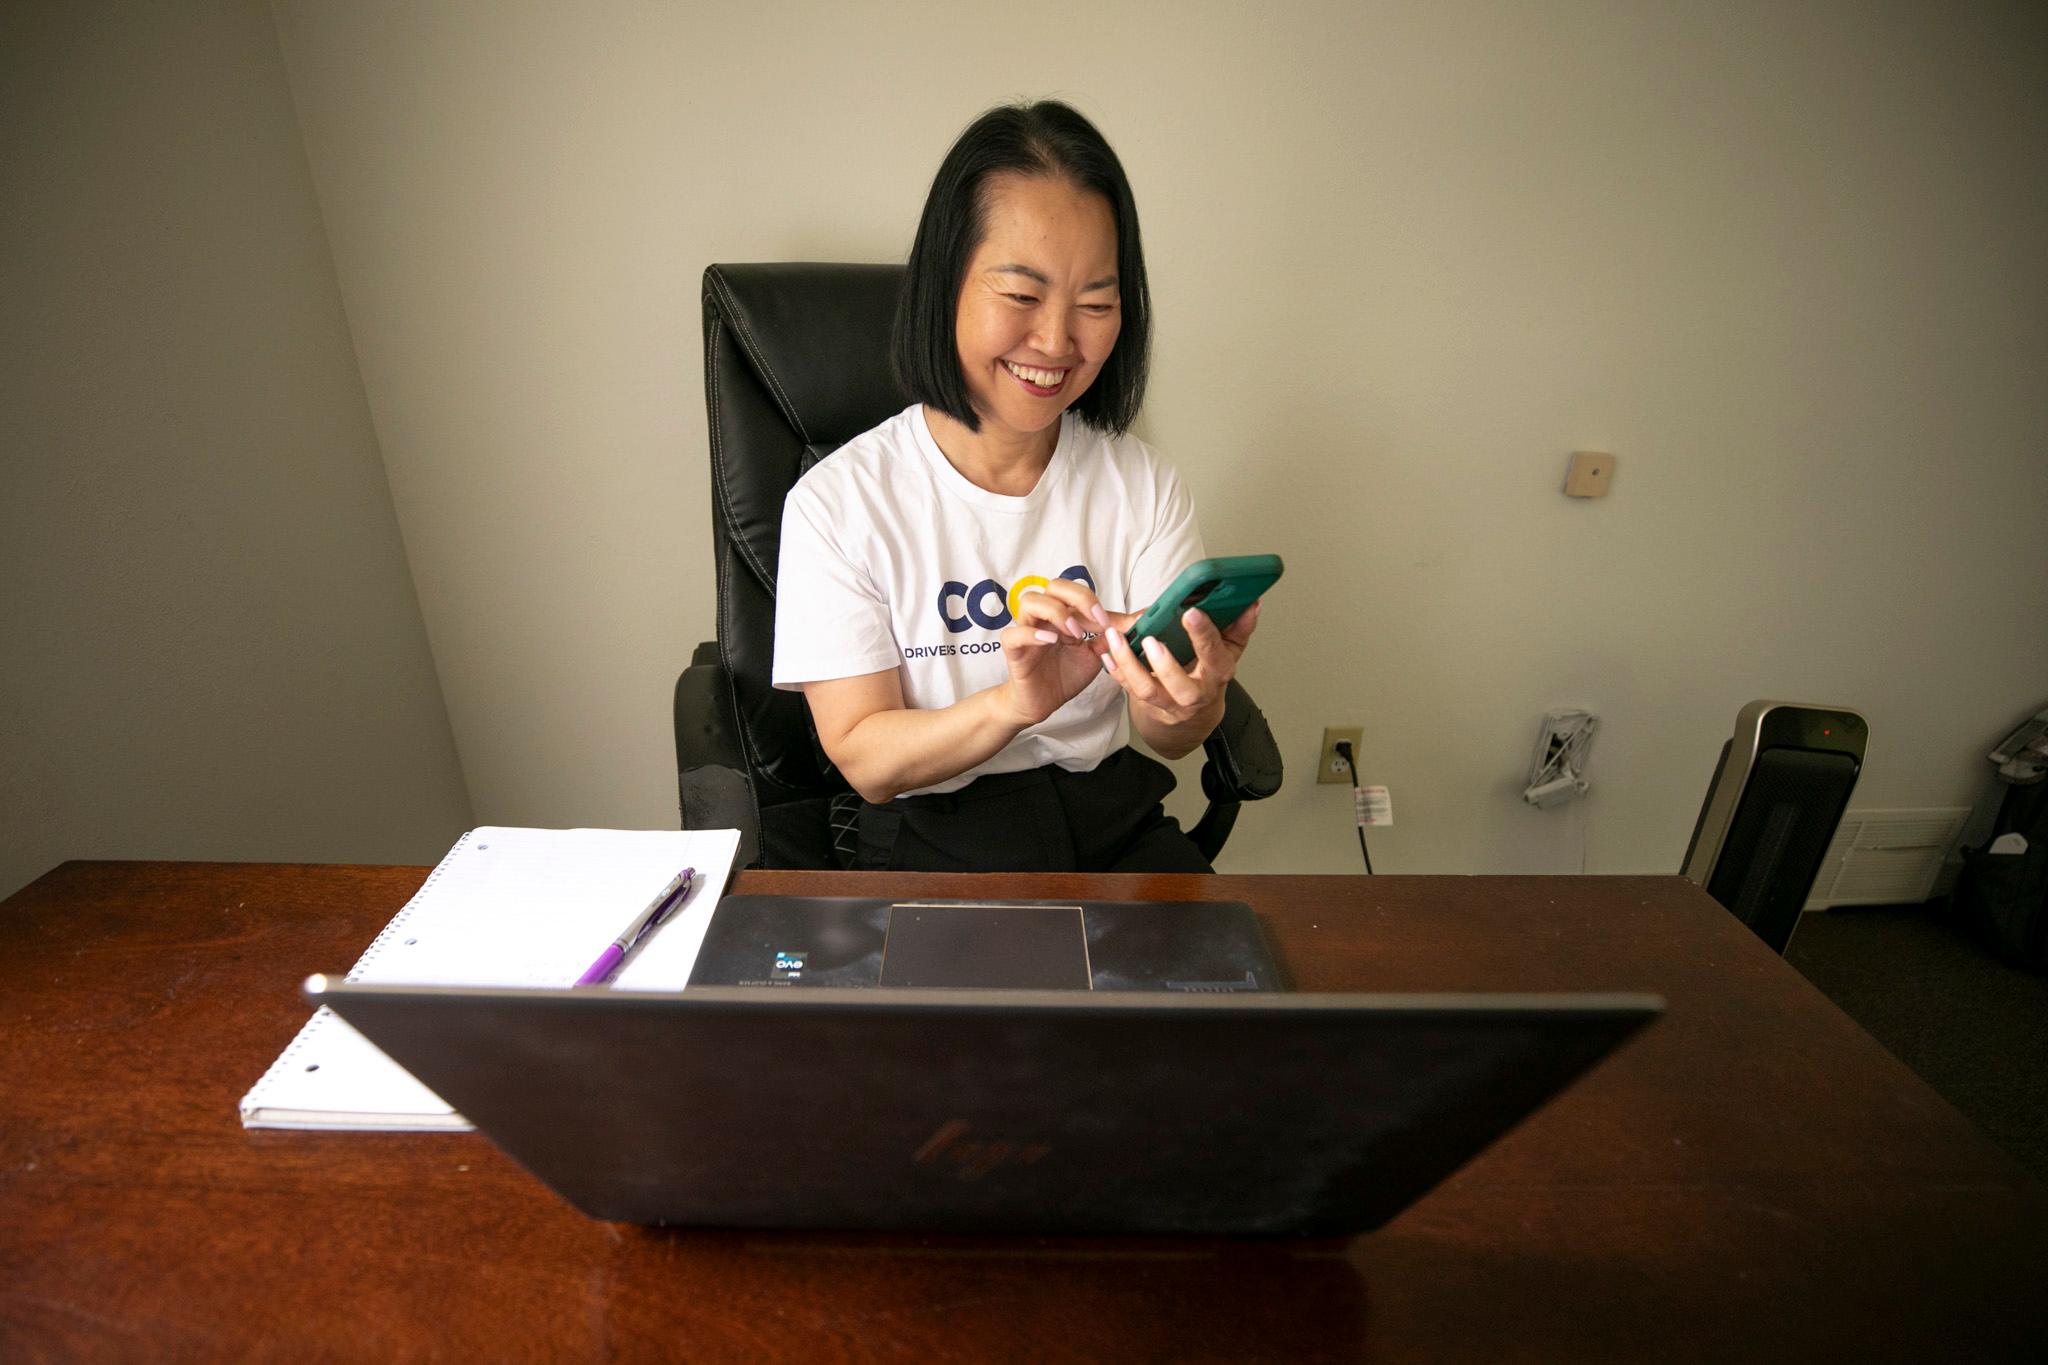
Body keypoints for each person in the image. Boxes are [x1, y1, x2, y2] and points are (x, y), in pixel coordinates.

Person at [771, 100, 1263, 873]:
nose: (1058, 342)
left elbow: (1163, 731)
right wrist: (1015, 704)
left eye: (1095, 304)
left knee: (1220, 987)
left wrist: (1191, 703)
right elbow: (866, 755)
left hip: (1112, 821)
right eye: (1023, 295)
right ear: (946, 284)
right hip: (931, 835)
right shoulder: (839, 504)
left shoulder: (1142, 483)